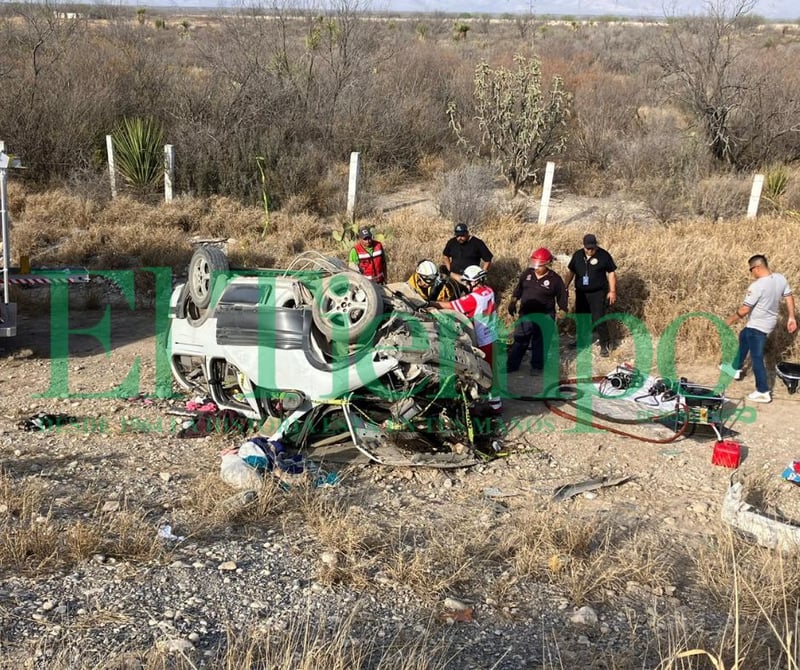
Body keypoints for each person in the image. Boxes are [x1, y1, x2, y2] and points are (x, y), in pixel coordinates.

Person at [721, 254, 797, 404]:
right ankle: (735, 368)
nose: (751, 273)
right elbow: (789, 297)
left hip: (758, 326)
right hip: (768, 324)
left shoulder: (757, 286)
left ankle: (763, 391)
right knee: (744, 335)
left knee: (756, 357)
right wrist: (791, 317)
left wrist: (728, 321)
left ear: (757, 267)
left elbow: (744, 310)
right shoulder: (780, 278)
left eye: (751, 270)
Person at [432, 265, 502, 415]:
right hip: (492, 336)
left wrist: (431, 304)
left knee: (481, 372)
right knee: (492, 370)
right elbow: (465, 282)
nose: (467, 284)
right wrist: (450, 274)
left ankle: (492, 406)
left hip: (483, 341)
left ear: (474, 282)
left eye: (468, 282)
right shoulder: (488, 291)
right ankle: (495, 403)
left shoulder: (472, 299)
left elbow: (451, 305)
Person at [507, 248, 568, 374]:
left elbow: (562, 297)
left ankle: (537, 367)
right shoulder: (527, 274)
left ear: (547, 264)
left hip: (545, 316)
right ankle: (512, 365)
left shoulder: (555, 279)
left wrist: (563, 311)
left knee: (540, 342)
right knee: (520, 339)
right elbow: (518, 289)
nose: (536, 268)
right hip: (526, 314)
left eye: (539, 266)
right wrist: (513, 302)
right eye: (534, 264)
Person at [564, 233, 617, 357]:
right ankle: (582, 341)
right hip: (581, 293)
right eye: (588, 248)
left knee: (599, 318)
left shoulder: (604, 255)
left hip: (598, 293)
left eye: (593, 248)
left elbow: (611, 273)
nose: (591, 250)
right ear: (584, 246)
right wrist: (565, 286)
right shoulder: (577, 255)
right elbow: (571, 272)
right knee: (582, 318)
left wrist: (612, 291)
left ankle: (605, 344)